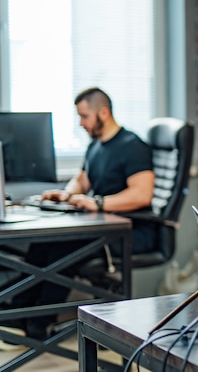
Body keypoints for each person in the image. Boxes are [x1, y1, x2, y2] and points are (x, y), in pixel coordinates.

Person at [12, 87, 156, 339]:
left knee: (62, 248)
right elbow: (82, 179)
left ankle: (37, 323)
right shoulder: (97, 145)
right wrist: (67, 194)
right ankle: (18, 314)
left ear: (103, 112)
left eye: (84, 116)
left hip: (129, 232)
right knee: (42, 244)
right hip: (104, 228)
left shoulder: (133, 146)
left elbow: (141, 194)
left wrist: (98, 203)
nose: (81, 123)